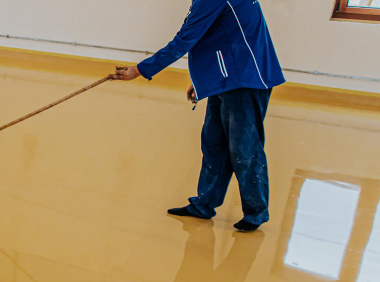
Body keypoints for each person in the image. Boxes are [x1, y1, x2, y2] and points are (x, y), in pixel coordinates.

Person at [113, 0, 284, 232]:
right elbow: (219, 35)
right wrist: (204, 80)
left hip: (244, 79)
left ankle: (256, 213)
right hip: (226, 78)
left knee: (244, 150)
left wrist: (139, 70)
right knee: (214, 144)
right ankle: (204, 204)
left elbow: (186, 39)